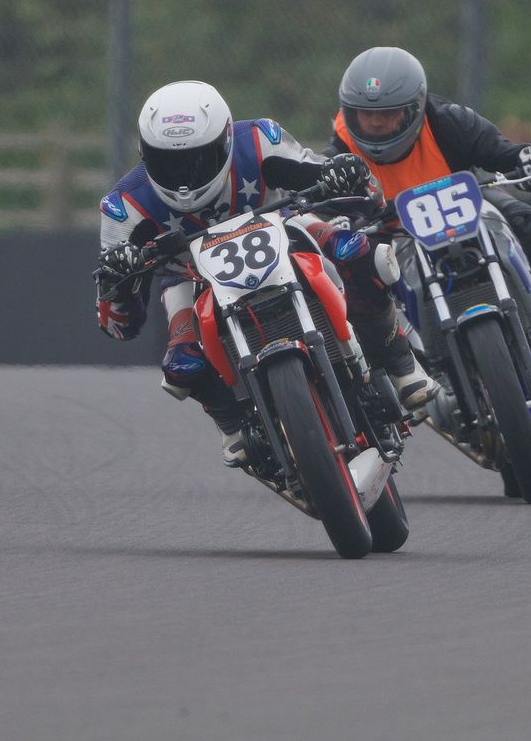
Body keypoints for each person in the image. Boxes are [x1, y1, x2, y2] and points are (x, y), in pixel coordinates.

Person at [92, 80, 438, 465]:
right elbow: (118, 325)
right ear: (144, 154)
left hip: (284, 228)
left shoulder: (258, 139)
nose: (184, 177)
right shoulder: (123, 207)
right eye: (167, 162)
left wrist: (347, 174)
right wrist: (117, 281)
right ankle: (233, 424)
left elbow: (355, 188)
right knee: (181, 361)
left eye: (198, 159)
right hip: (189, 277)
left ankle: (400, 361)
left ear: (224, 141)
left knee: (358, 251)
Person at [326, 46, 531, 377]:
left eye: (389, 113)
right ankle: (399, 371)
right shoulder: (339, 152)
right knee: (349, 272)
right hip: (392, 231)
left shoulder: (449, 119)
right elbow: (324, 200)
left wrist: (528, 159)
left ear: (416, 108)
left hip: (467, 206)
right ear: (349, 113)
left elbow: (501, 152)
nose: (377, 123)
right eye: (367, 115)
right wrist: (333, 217)